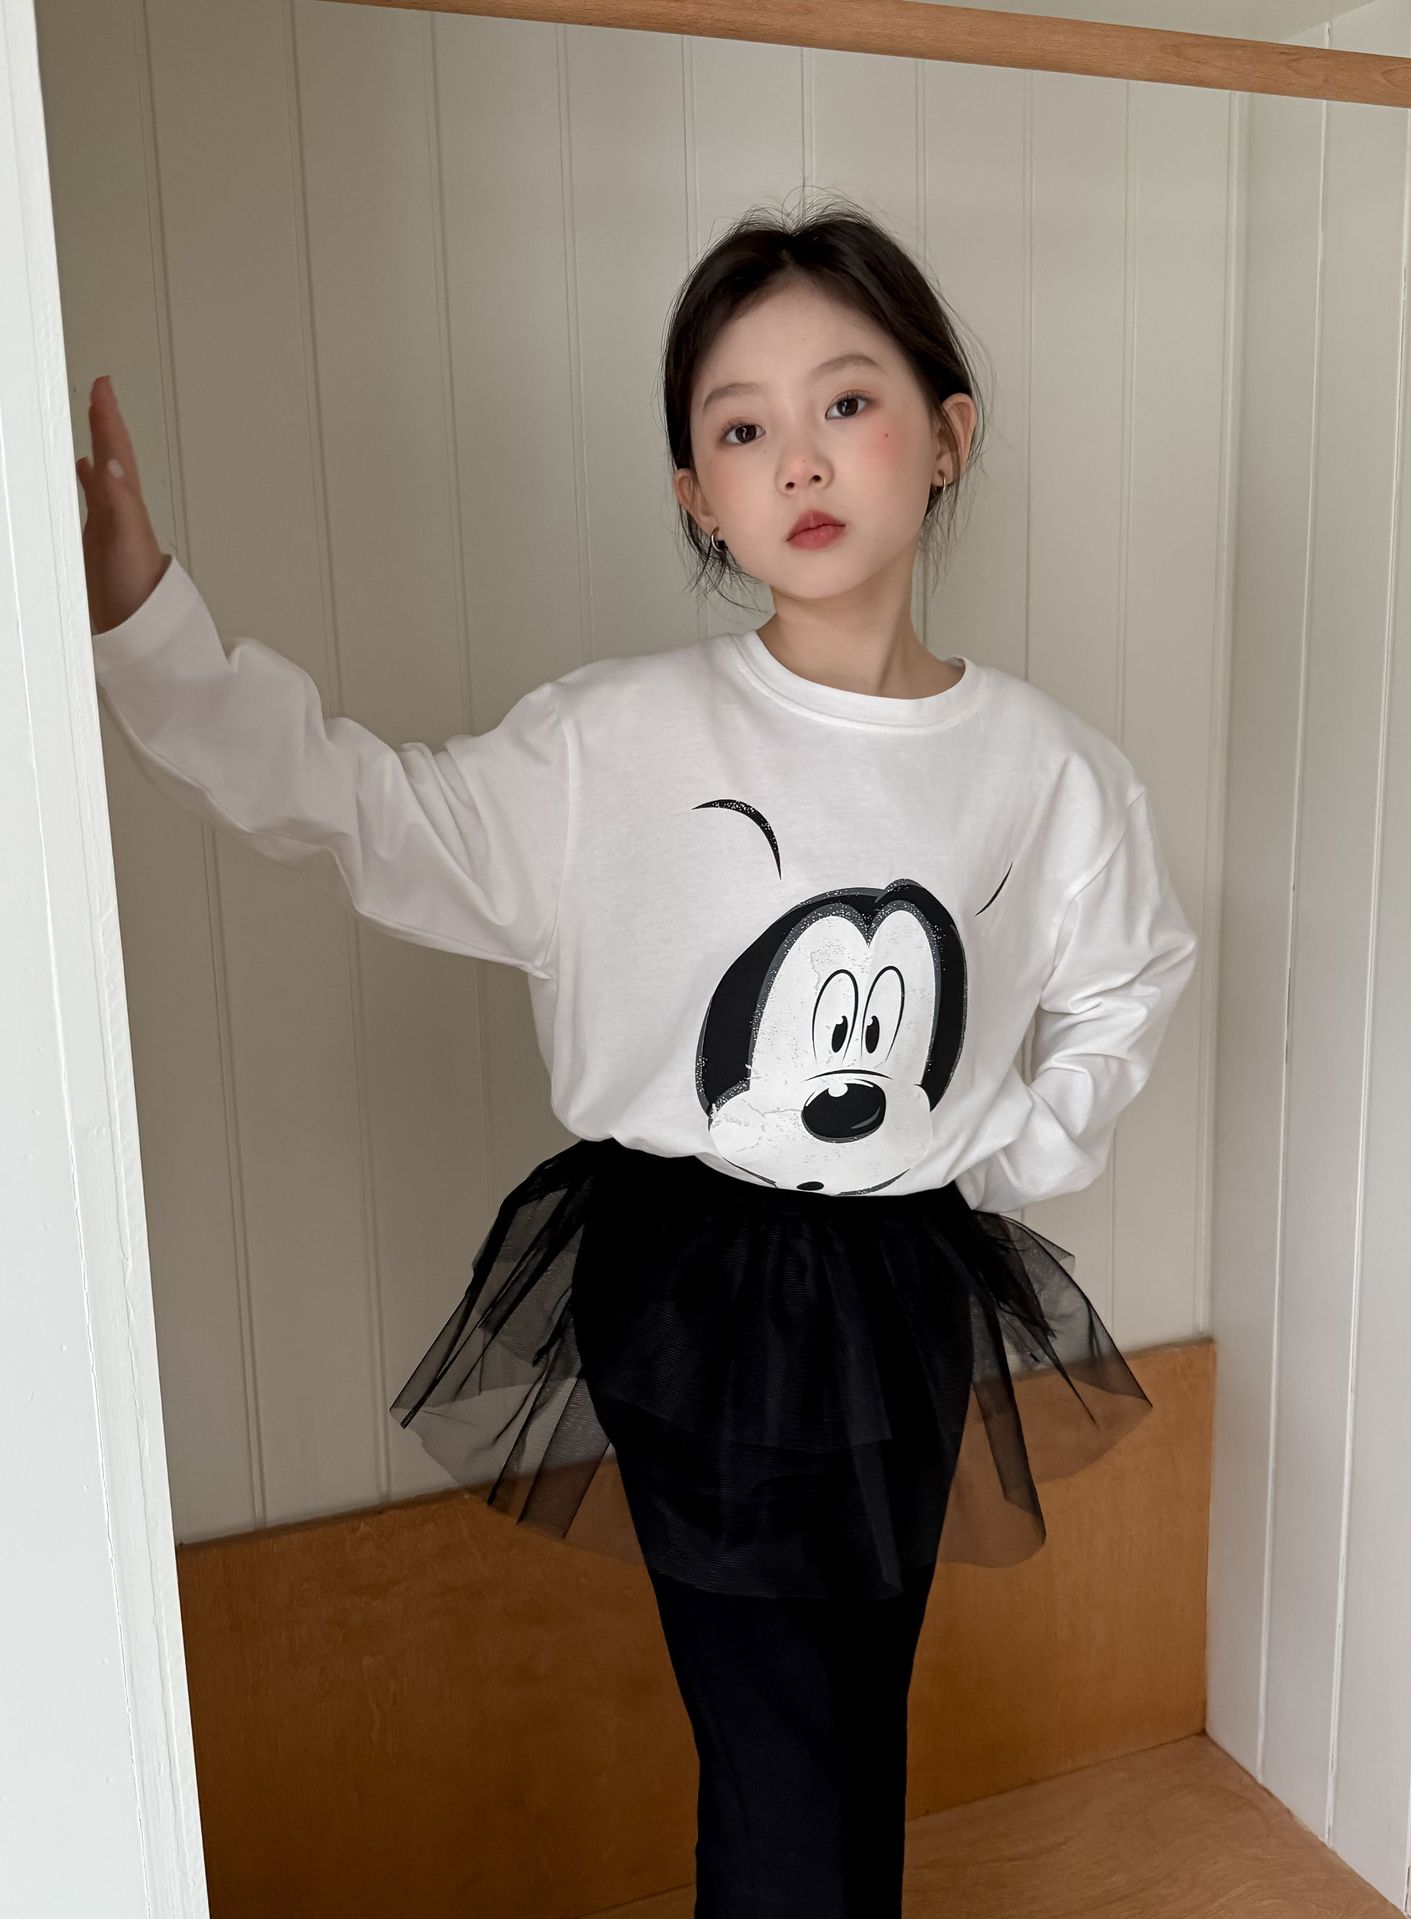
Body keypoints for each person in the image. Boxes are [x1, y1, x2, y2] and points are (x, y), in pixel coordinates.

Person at [78, 196, 1198, 1919]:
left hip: (908, 1280)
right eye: (741, 429)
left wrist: (1007, 1153)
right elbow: (362, 811)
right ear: (696, 493)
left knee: (851, 1711)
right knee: (783, 1745)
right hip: (700, 1288)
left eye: (846, 402)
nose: (798, 458)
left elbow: (1132, 974)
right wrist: (149, 629)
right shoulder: (618, 738)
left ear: (947, 436)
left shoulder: (1049, 768)